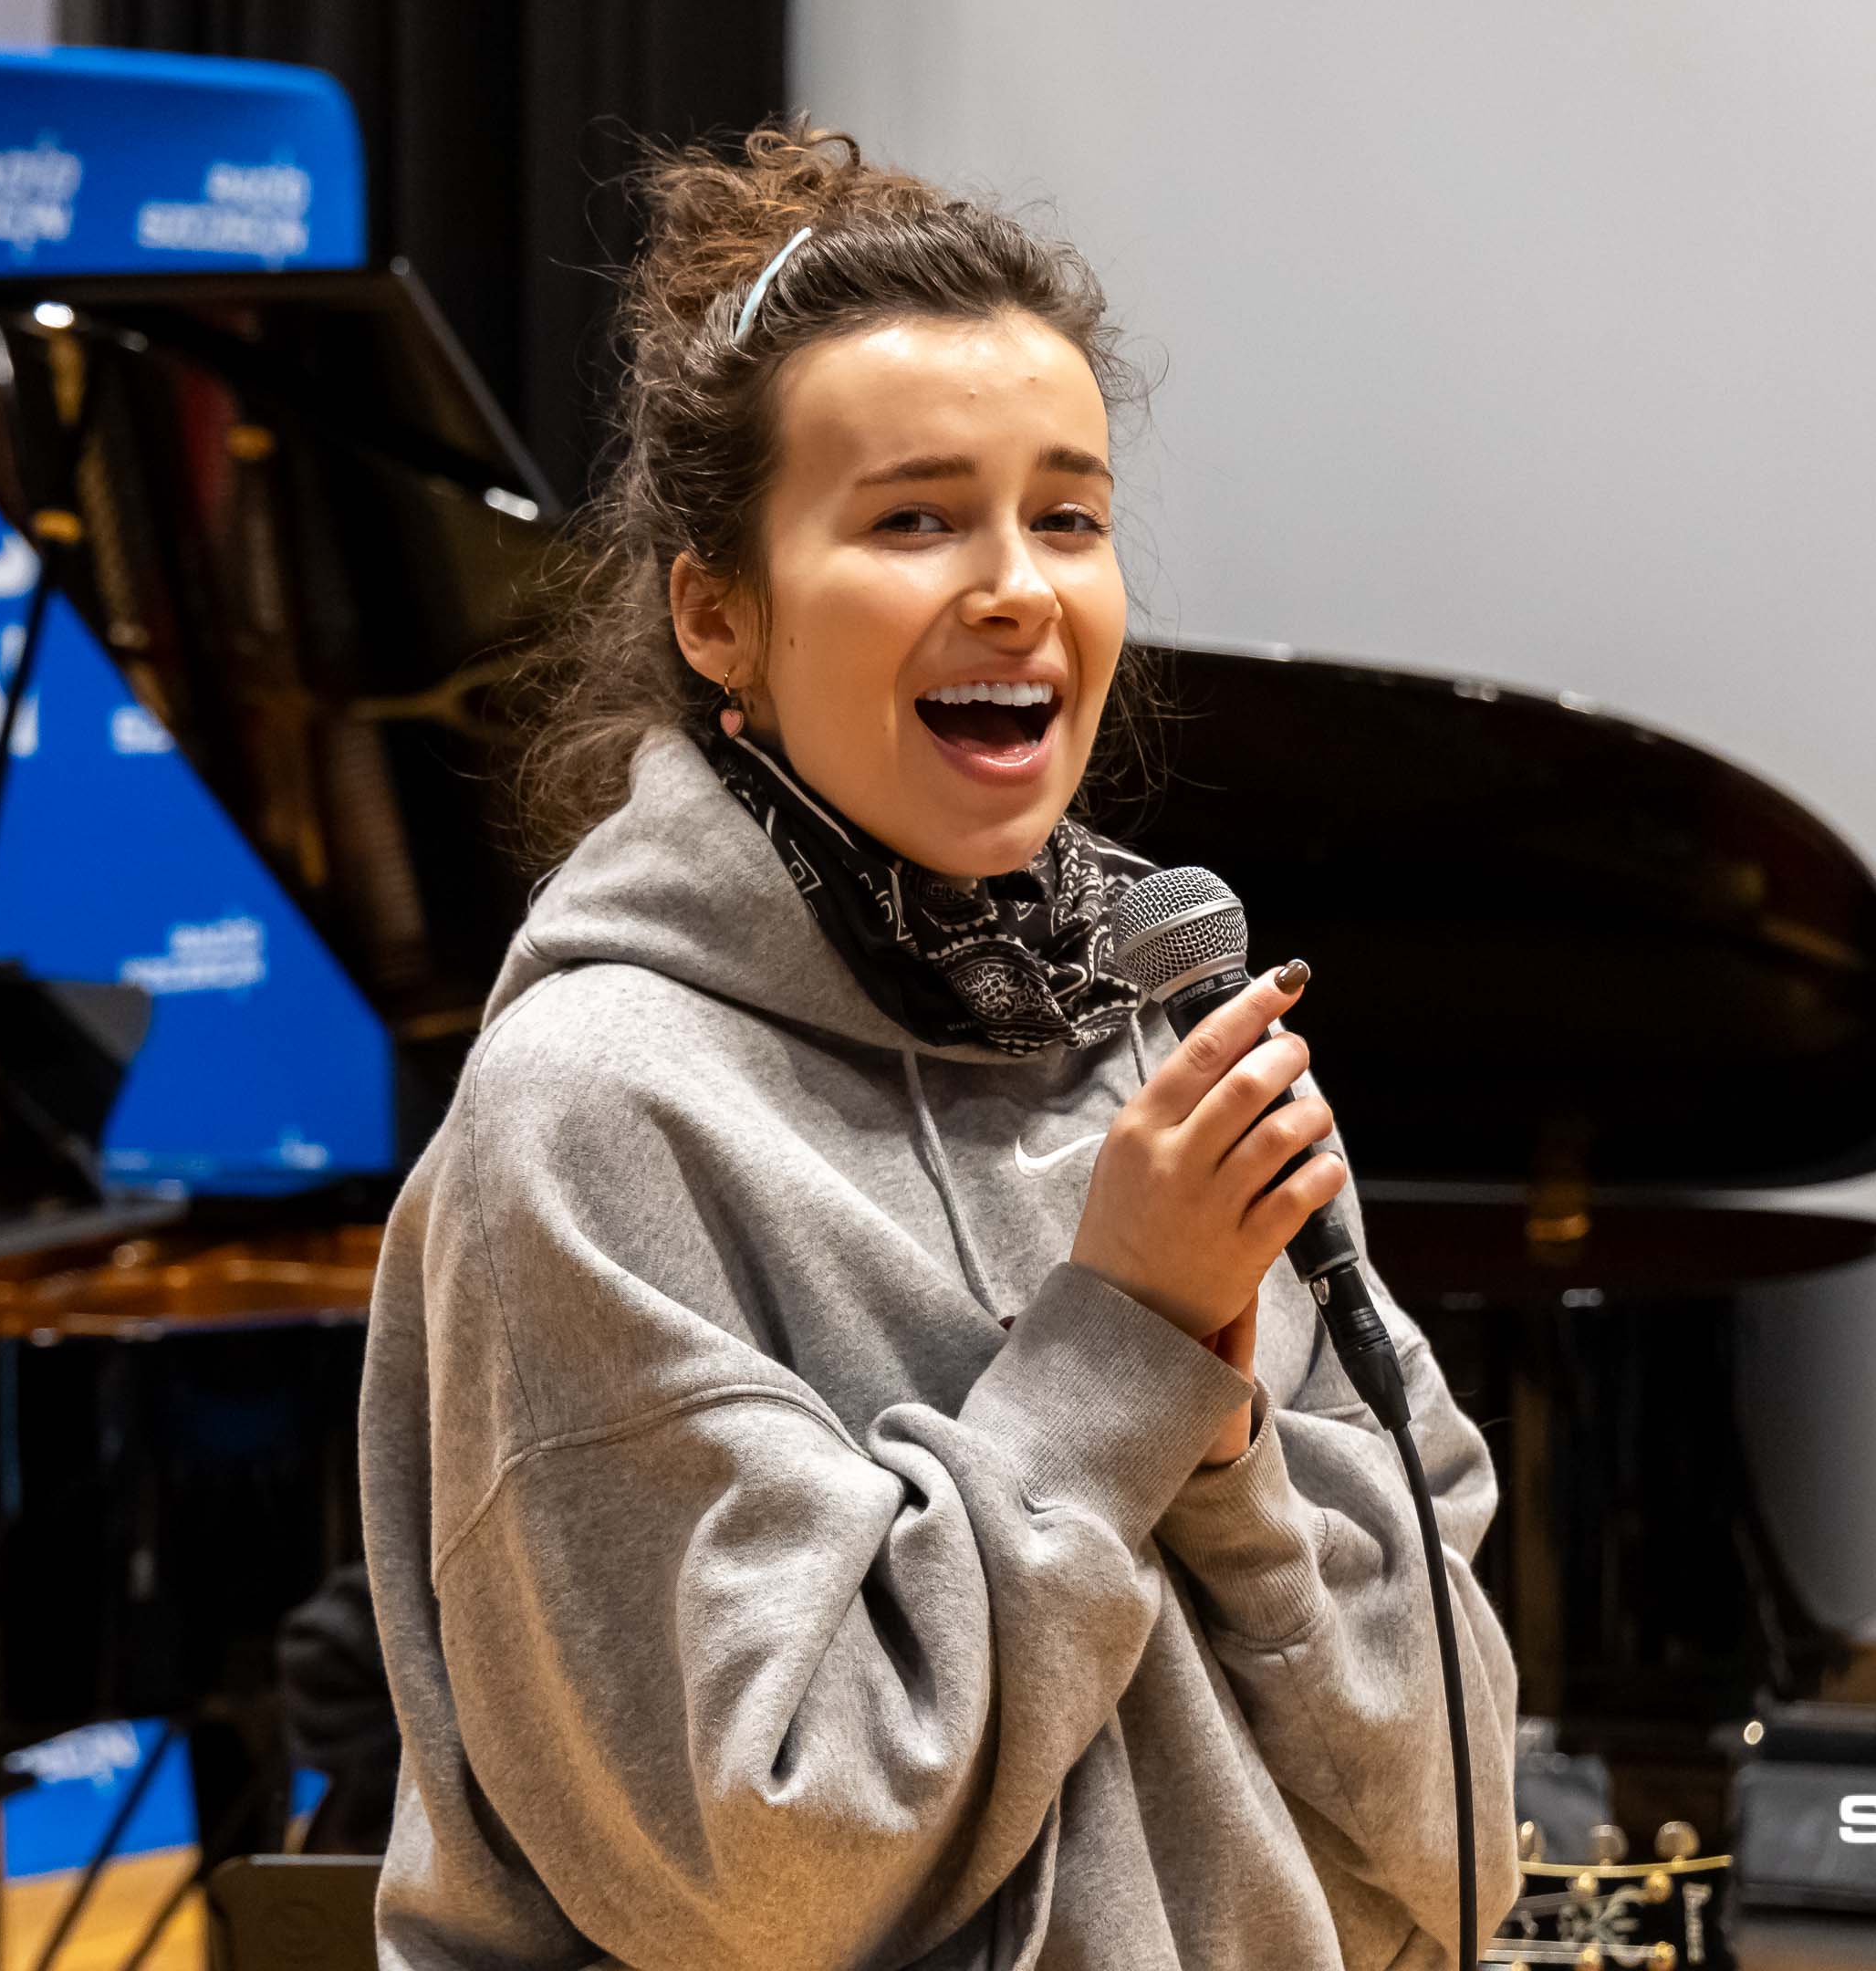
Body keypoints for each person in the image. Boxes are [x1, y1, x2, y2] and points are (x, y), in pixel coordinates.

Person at [359, 128, 1521, 1968]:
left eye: (1068, 517)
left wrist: (1225, 1462)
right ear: (717, 614)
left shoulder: (1172, 1044)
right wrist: (1123, 1350)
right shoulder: (594, 1107)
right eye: (914, 520)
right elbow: (759, 1870)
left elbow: (1458, 1827)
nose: (1017, 587)